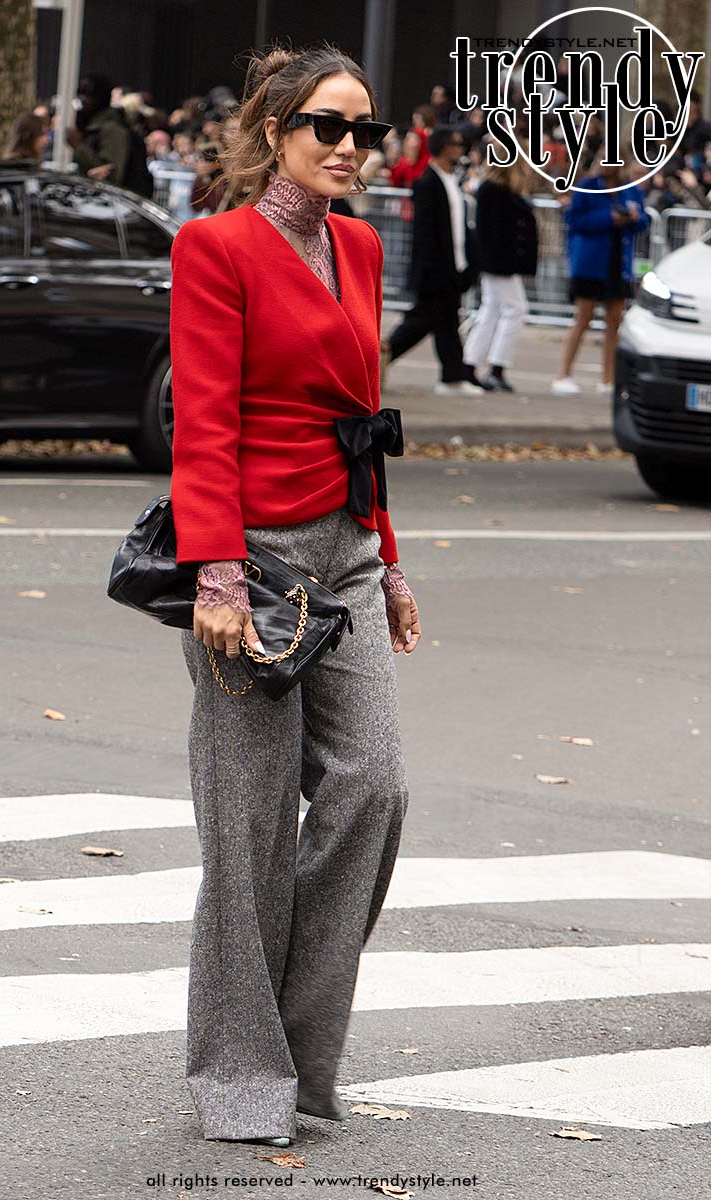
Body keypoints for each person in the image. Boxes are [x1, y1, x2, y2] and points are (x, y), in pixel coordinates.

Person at [169, 41, 420, 1149]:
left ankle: (301, 1059)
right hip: (252, 565)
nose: (350, 148)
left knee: (374, 789)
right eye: (327, 125)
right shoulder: (214, 246)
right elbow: (204, 420)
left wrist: (390, 557)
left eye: (363, 129)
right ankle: (240, 1075)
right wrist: (215, 571)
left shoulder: (359, 249)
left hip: (345, 553)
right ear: (274, 129)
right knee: (250, 828)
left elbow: (362, 422)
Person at [380, 125, 477, 395]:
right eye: (456, 144)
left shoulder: (452, 181)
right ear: (444, 147)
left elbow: (457, 227)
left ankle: (453, 377)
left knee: (445, 323)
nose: (460, 149)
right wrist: (430, 269)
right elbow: (425, 233)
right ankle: (376, 359)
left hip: (452, 266)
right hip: (435, 270)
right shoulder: (427, 183)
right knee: (421, 322)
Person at [552, 160, 649, 396]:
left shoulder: (631, 188)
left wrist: (633, 217)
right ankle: (563, 374)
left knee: (614, 321)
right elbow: (574, 220)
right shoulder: (587, 187)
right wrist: (609, 218)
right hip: (590, 264)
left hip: (618, 264)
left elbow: (644, 221)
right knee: (583, 317)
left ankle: (608, 379)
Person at [461, 153, 538, 392]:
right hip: (500, 262)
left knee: (492, 311)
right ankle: (494, 366)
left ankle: (472, 364)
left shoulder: (496, 190)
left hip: (498, 262)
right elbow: (495, 233)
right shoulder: (496, 192)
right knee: (514, 309)